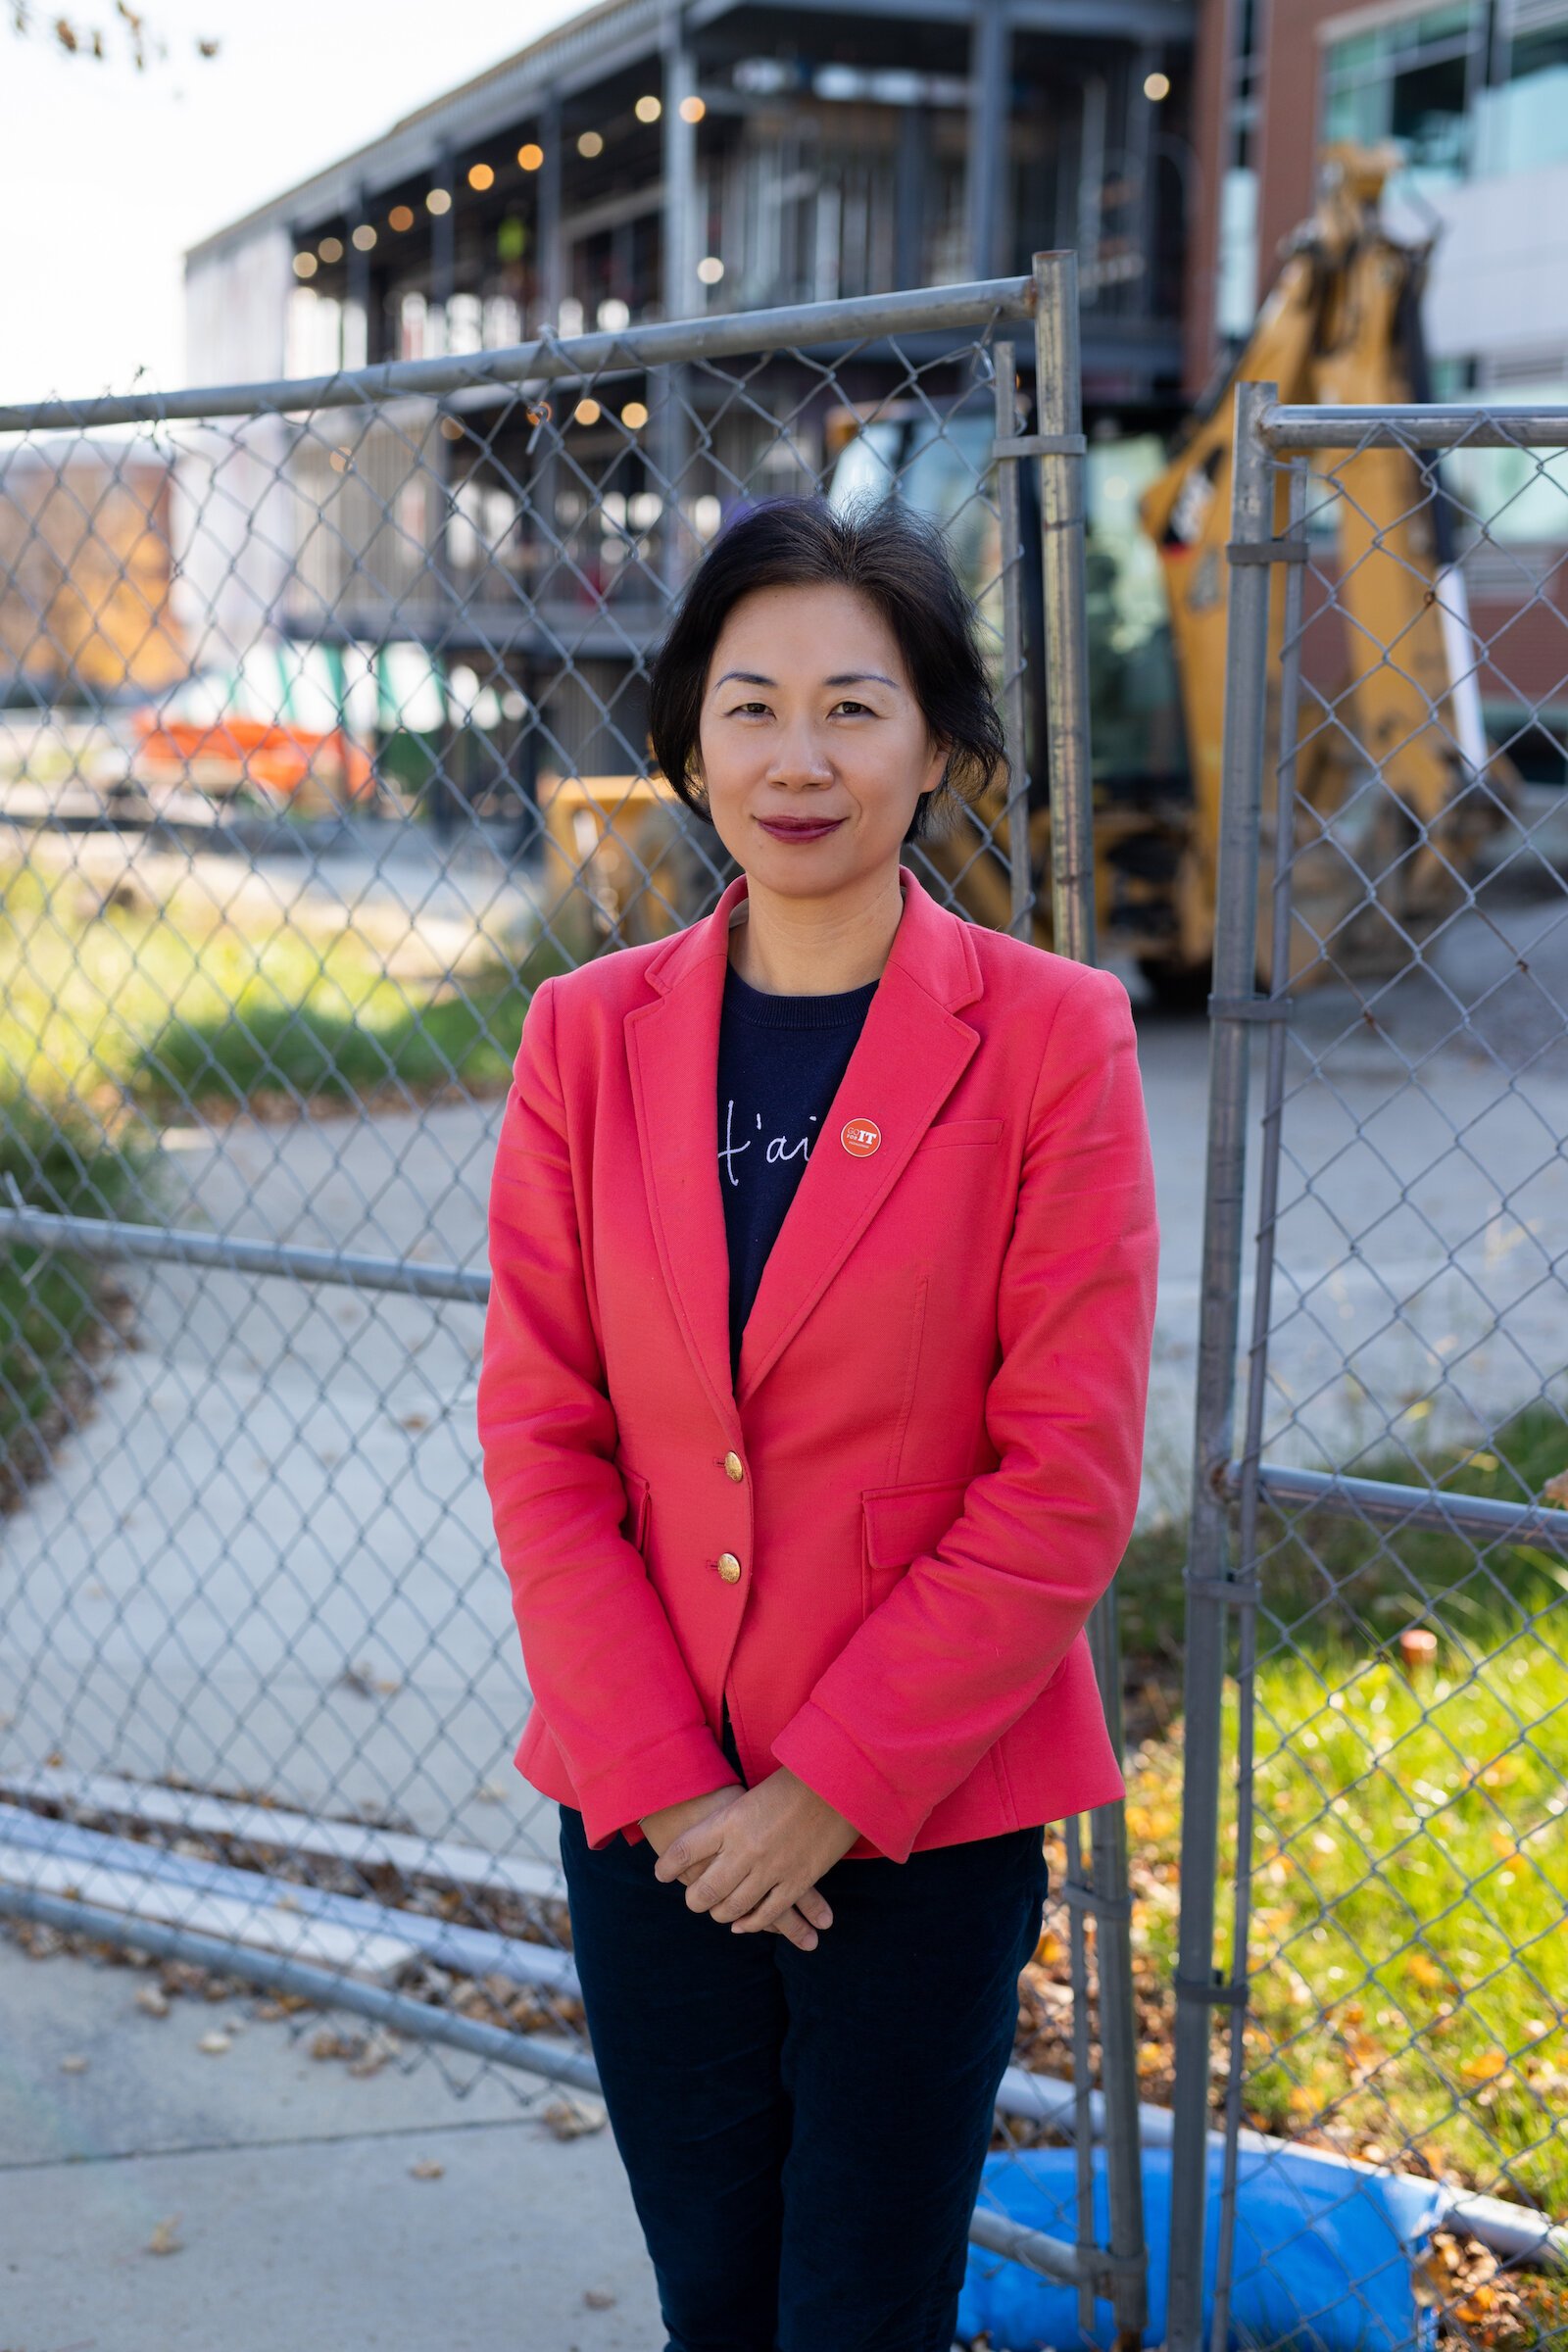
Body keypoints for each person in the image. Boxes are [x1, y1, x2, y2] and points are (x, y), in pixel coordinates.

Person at [476, 495, 1159, 2352]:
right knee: (716, 2300)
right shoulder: (583, 1036)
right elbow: (543, 1435)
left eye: (855, 709)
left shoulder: (1052, 1037)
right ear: (691, 738)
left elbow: (1066, 1476)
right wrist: (686, 1791)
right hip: (653, 1812)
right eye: (753, 704)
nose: (800, 759)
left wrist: (824, 1796)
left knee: (858, 2308)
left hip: (921, 1823)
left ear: (937, 742)